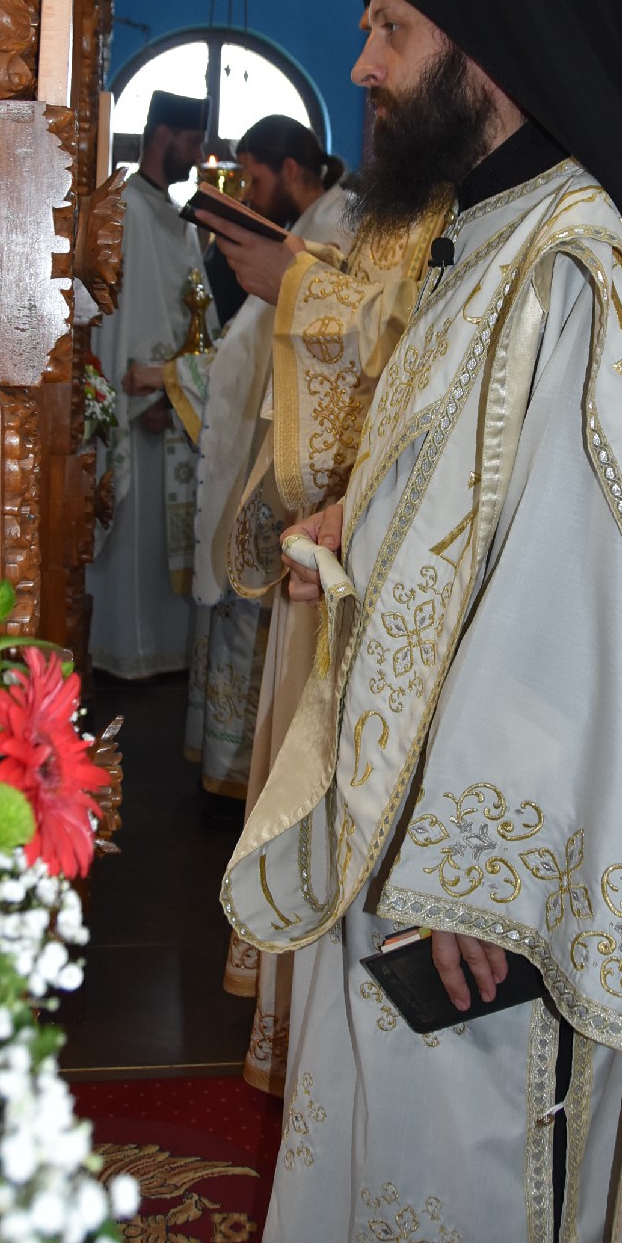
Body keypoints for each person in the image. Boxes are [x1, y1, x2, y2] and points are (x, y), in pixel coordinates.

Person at [221, 0, 622, 1243]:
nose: (364, 65)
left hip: (490, 875)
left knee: (477, 1205)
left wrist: (476, 878)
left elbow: (585, 589)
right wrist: (355, 528)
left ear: (488, 47)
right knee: (394, 1173)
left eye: (389, 27)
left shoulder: (578, 261)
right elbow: (474, 500)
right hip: (410, 800)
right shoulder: (493, 233)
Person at [207, 187, 449, 1092]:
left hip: (397, 565)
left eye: (392, 33)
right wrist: (318, 274)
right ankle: (305, 1031)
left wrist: (302, 287)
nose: (381, 116)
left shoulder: (498, 204)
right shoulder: (401, 201)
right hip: (329, 544)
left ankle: (350, 1055)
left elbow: (444, 352)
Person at [153, 117, 354, 806]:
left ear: (291, 169)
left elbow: (345, 340)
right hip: (267, 450)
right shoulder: (309, 223)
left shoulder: (340, 222)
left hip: (297, 469)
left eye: (255, 176)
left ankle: (248, 779)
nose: (248, 190)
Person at [86, 90, 211, 678]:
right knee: (134, 536)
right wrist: (153, 392)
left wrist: (179, 390)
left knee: (161, 544)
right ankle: (123, 655)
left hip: (171, 399)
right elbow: (124, 313)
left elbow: (195, 309)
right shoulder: (126, 209)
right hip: (135, 403)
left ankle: (161, 653)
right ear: (163, 137)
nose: (200, 155)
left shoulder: (178, 219)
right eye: (193, 143)